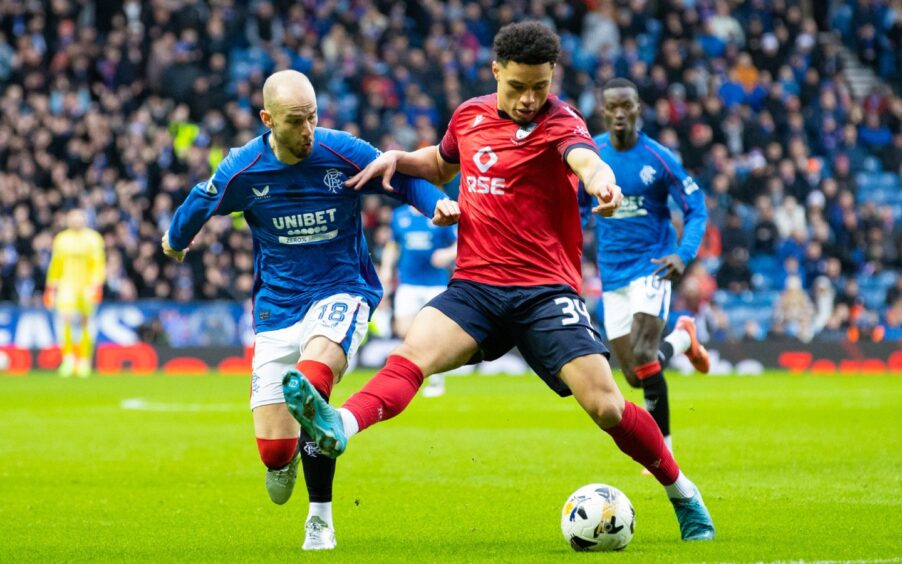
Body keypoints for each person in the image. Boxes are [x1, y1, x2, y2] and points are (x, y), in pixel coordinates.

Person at [282, 22, 715, 542]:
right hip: (476, 289)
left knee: (605, 405)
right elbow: (440, 165)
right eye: (518, 87)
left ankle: (683, 494)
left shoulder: (563, 123)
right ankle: (340, 426)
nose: (531, 99)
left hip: (545, 292)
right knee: (411, 354)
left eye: (540, 86)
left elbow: (586, 158)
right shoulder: (469, 116)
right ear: (495, 72)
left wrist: (603, 182)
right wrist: (400, 158)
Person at [161, 70, 459, 551]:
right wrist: (175, 242)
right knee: (275, 461)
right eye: (296, 122)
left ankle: (320, 517)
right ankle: (292, 451)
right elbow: (203, 200)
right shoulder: (244, 168)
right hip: (278, 307)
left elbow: (401, 179)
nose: (308, 131)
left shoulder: (341, 152)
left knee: (313, 379)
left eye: (313, 118)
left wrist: (438, 205)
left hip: (341, 289)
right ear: (267, 119)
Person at [587, 78, 710, 464]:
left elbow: (696, 206)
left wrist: (684, 254)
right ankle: (684, 338)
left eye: (627, 106)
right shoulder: (591, 155)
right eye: (612, 107)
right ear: (603, 111)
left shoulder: (657, 157)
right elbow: (573, 207)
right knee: (636, 375)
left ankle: (664, 449)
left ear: (639, 108)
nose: (620, 113)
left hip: (652, 264)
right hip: (612, 271)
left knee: (643, 350)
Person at [379, 203, 457, 397]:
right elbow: (393, 244)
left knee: (435, 333)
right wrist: (387, 268)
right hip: (408, 283)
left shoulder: (439, 214)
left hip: (435, 283)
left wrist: (447, 254)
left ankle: (436, 378)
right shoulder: (399, 215)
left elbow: (459, 242)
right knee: (405, 329)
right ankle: (415, 372)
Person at [44, 209, 106, 378]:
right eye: (74, 218)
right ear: (68, 220)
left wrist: (97, 285)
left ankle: (84, 361)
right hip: (67, 285)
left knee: (86, 322)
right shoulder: (62, 239)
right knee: (66, 318)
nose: (77, 221)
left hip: (87, 285)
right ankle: (68, 359)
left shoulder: (93, 238)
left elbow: (98, 264)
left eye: (80, 218)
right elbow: (56, 263)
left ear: (85, 220)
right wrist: (50, 287)